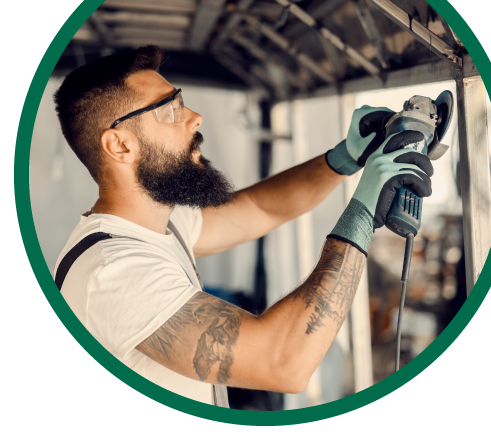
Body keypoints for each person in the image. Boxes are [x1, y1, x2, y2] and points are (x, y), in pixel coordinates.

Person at [53, 45, 433, 406]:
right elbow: (282, 362)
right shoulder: (114, 272)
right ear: (119, 146)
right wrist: (363, 213)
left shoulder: (158, 224)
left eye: (181, 101)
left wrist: (344, 157)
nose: (194, 117)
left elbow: (257, 208)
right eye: (168, 111)